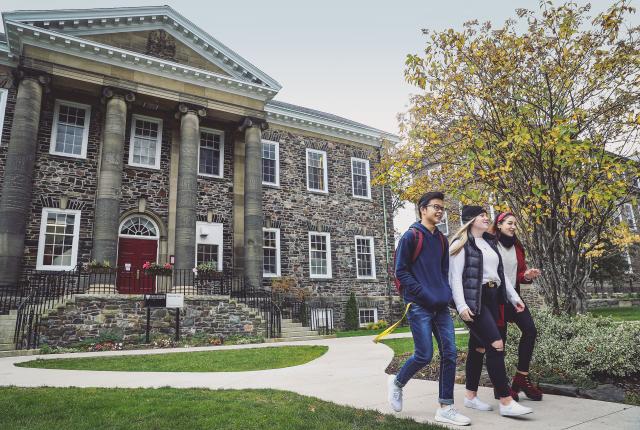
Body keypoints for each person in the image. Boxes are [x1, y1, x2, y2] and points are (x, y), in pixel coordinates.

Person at [388, 191, 471, 426]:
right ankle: (397, 383)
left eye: (441, 208)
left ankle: (446, 406)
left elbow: (444, 273)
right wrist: (424, 293)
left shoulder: (442, 240)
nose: (439, 211)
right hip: (419, 306)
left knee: (450, 353)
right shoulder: (411, 237)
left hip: (441, 306)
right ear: (422, 209)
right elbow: (400, 272)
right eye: (435, 207)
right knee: (424, 354)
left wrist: (445, 295)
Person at [448, 205, 533, 417]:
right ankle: (506, 401)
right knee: (496, 345)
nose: (487, 219)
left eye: (487, 215)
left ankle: (470, 397)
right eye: (482, 216)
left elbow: (501, 275)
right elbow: (455, 279)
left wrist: (514, 298)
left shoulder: (489, 243)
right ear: (470, 220)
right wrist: (461, 306)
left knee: (478, 348)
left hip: (495, 298)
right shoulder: (461, 244)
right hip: (476, 301)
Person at [492, 212, 543, 400]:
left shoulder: (518, 247)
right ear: (499, 224)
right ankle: (501, 387)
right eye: (509, 223)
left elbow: (519, 274)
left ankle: (521, 378)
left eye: (515, 224)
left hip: (515, 297)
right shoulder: (491, 244)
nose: (513, 227)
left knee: (530, 330)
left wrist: (527, 275)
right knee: (500, 343)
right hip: (496, 299)